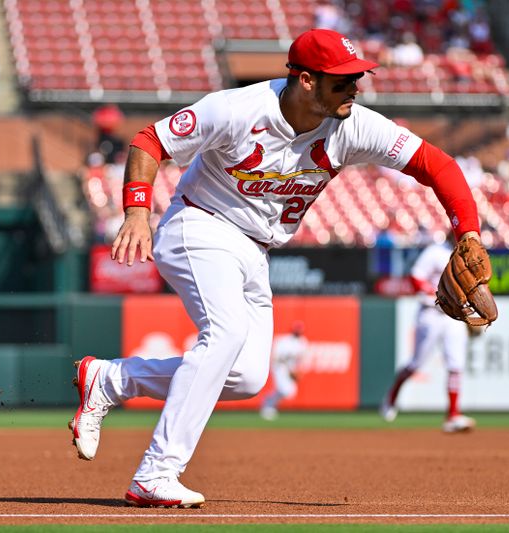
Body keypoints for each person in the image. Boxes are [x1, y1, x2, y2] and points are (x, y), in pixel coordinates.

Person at [69, 28, 487, 508]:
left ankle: (112, 380)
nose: (355, 88)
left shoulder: (353, 124)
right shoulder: (236, 109)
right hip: (200, 224)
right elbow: (149, 140)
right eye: (343, 81)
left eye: (357, 78)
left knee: (246, 377)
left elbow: (437, 165)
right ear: (306, 81)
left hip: (256, 250)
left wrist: (468, 233)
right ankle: (156, 473)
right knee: (223, 335)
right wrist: (137, 211)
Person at [379, 236, 479, 433]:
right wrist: (437, 297)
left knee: (455, 365)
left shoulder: (469, 258)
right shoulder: (436, 252)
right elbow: (415, 277)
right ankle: (392, 395)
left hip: (454, 317)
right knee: (416, 364)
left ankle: (452, 415)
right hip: (431, 313)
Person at [259, 321, 308, 421]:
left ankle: (269, 401)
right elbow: (277, 358)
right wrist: (290, 369)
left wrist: (297, 370)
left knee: (290, 392)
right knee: (285, 390)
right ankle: (268, 407)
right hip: (279, 367)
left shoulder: (303, 342)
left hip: (290, 369)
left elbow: (300, 359)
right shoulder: (284, 341)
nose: (298, 332)